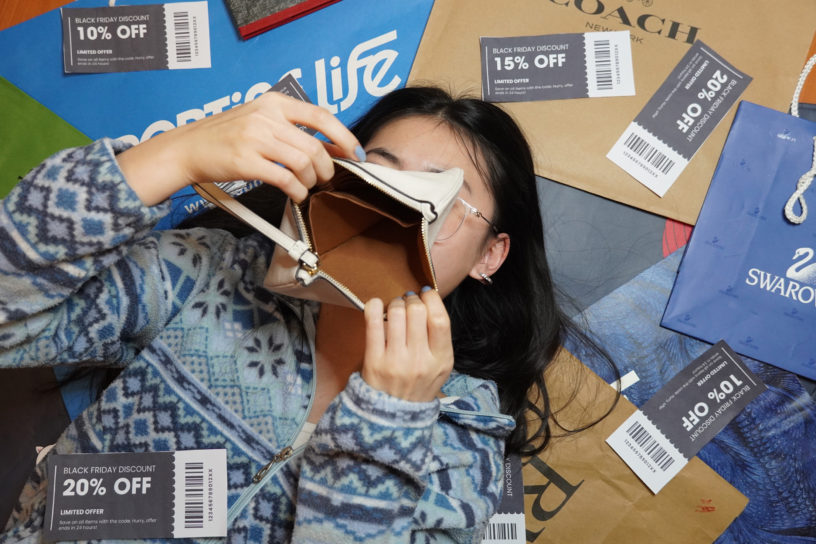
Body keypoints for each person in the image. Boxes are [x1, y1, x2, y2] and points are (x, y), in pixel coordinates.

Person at [0, 86, 614, 542]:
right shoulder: (206, 278)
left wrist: (386, 428)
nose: (393, 206)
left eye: (443, 199)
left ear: (490, 255)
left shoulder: (461, 446)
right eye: (378, 170)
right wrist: (169, 159)